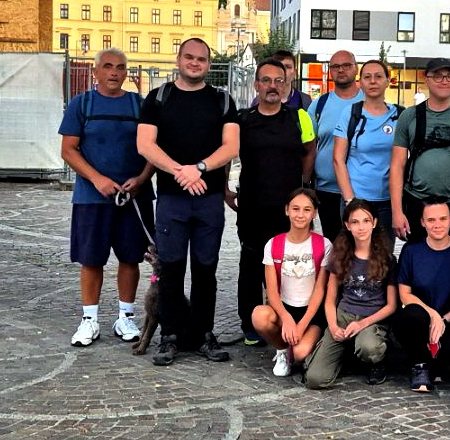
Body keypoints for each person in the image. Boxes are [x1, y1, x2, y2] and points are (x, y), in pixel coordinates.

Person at [137, 37, 240, 365]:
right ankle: (169, 336)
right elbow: (145, 144)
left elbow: (231, 146)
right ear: (179, 59)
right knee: (171, 269)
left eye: (201, 59)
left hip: (209, 200)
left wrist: (199, 168)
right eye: (189, 57)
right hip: (172, 199)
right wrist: (179, 171)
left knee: (206, 269)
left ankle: (203, 334)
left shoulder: (222, 100)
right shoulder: (158, 98)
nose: (195, 63)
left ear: (208, 64)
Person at [59, 48, 156, 346]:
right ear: (96, 71)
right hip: (91, 198)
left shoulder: (139, 105)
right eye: (108, 66)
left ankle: (125, 317)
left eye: (121, 67)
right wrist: (97, 179)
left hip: (133, 198)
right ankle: (89, 320)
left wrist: (142, 179)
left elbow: (154, 148)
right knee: (91, 259)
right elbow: (68, 150)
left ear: (127, 72)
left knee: (131, 258)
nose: (114, 72)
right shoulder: (82, 104)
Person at [228, 58, 316, 347]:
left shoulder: (299, 117)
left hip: (288, 210)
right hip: (252, 206)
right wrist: (225, 189)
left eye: (279, 81)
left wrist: (303, 185)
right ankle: (251, 325)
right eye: (266, 80)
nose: (273, 86)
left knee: (288, 266)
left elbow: (310, 149)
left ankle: (286, 320)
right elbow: (228, 153)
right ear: (256, 85)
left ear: (287, 84)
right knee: (251, 266)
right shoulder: (243, 120)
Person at [304, 200, 398, 388]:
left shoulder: (387, 259)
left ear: (374, 223)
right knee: (315, 379)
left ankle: (375, 361)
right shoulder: (339, 256)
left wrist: (363, 323)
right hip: (343, 316)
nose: (361, 227)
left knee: (368, 347)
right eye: (355, 222)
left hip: (372, 319)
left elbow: (391, 305)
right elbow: (330, 300)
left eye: (366, 221)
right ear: (347, 225)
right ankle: (345, 354)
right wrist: (333, 326)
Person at [393, 198, 450, 393]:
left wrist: (444, 320)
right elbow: (405, 294)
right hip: (419, 321)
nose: (437, 225)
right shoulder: (411, 250)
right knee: (412, 316)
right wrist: (433, 316)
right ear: (422, 222)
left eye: (442, 219)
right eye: (431, 220)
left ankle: (438, 361)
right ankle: (420, 366)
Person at [390, 57, 450, 242]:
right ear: (426, 79)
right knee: (418, 253)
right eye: (438, 76)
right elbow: (397, 165)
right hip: (417, 200)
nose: (444, 81)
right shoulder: (409, 116)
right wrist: (397, 212)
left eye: (449, 76)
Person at [250, 189, 329, 377]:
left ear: (314, 213)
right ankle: (282, 350)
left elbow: (320, 290)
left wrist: (301, 324)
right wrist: (286, 318)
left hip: (311, 312)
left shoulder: (324, 245)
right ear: (287, 210)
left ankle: (305, 344)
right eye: (295, 208)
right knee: (259, 316)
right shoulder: (273, 244)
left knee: (301, 353)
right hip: (284, 308)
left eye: (307, 209)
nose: (300, 214)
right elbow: (271, 290)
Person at [332, 60, 401, 233]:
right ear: (360, 82)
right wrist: (350, 201)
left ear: (387, 81)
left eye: (378, 76)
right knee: (353, 249)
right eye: (367, 77)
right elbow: (338, 159)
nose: (373, 81)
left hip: (388, 201)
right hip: (356, 199)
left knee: (384, 249)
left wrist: (398, 206)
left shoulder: (400, 115)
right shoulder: (350, 113)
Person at [306, 50, 362, 238]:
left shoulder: (369, 102)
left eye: (346, 65)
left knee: (361, 246)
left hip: (361, 189)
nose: (341, 70)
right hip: (326, 189)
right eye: (336, 66)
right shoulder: (319, 105)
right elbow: (309, 146)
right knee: (334, 245)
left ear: (356, 68)